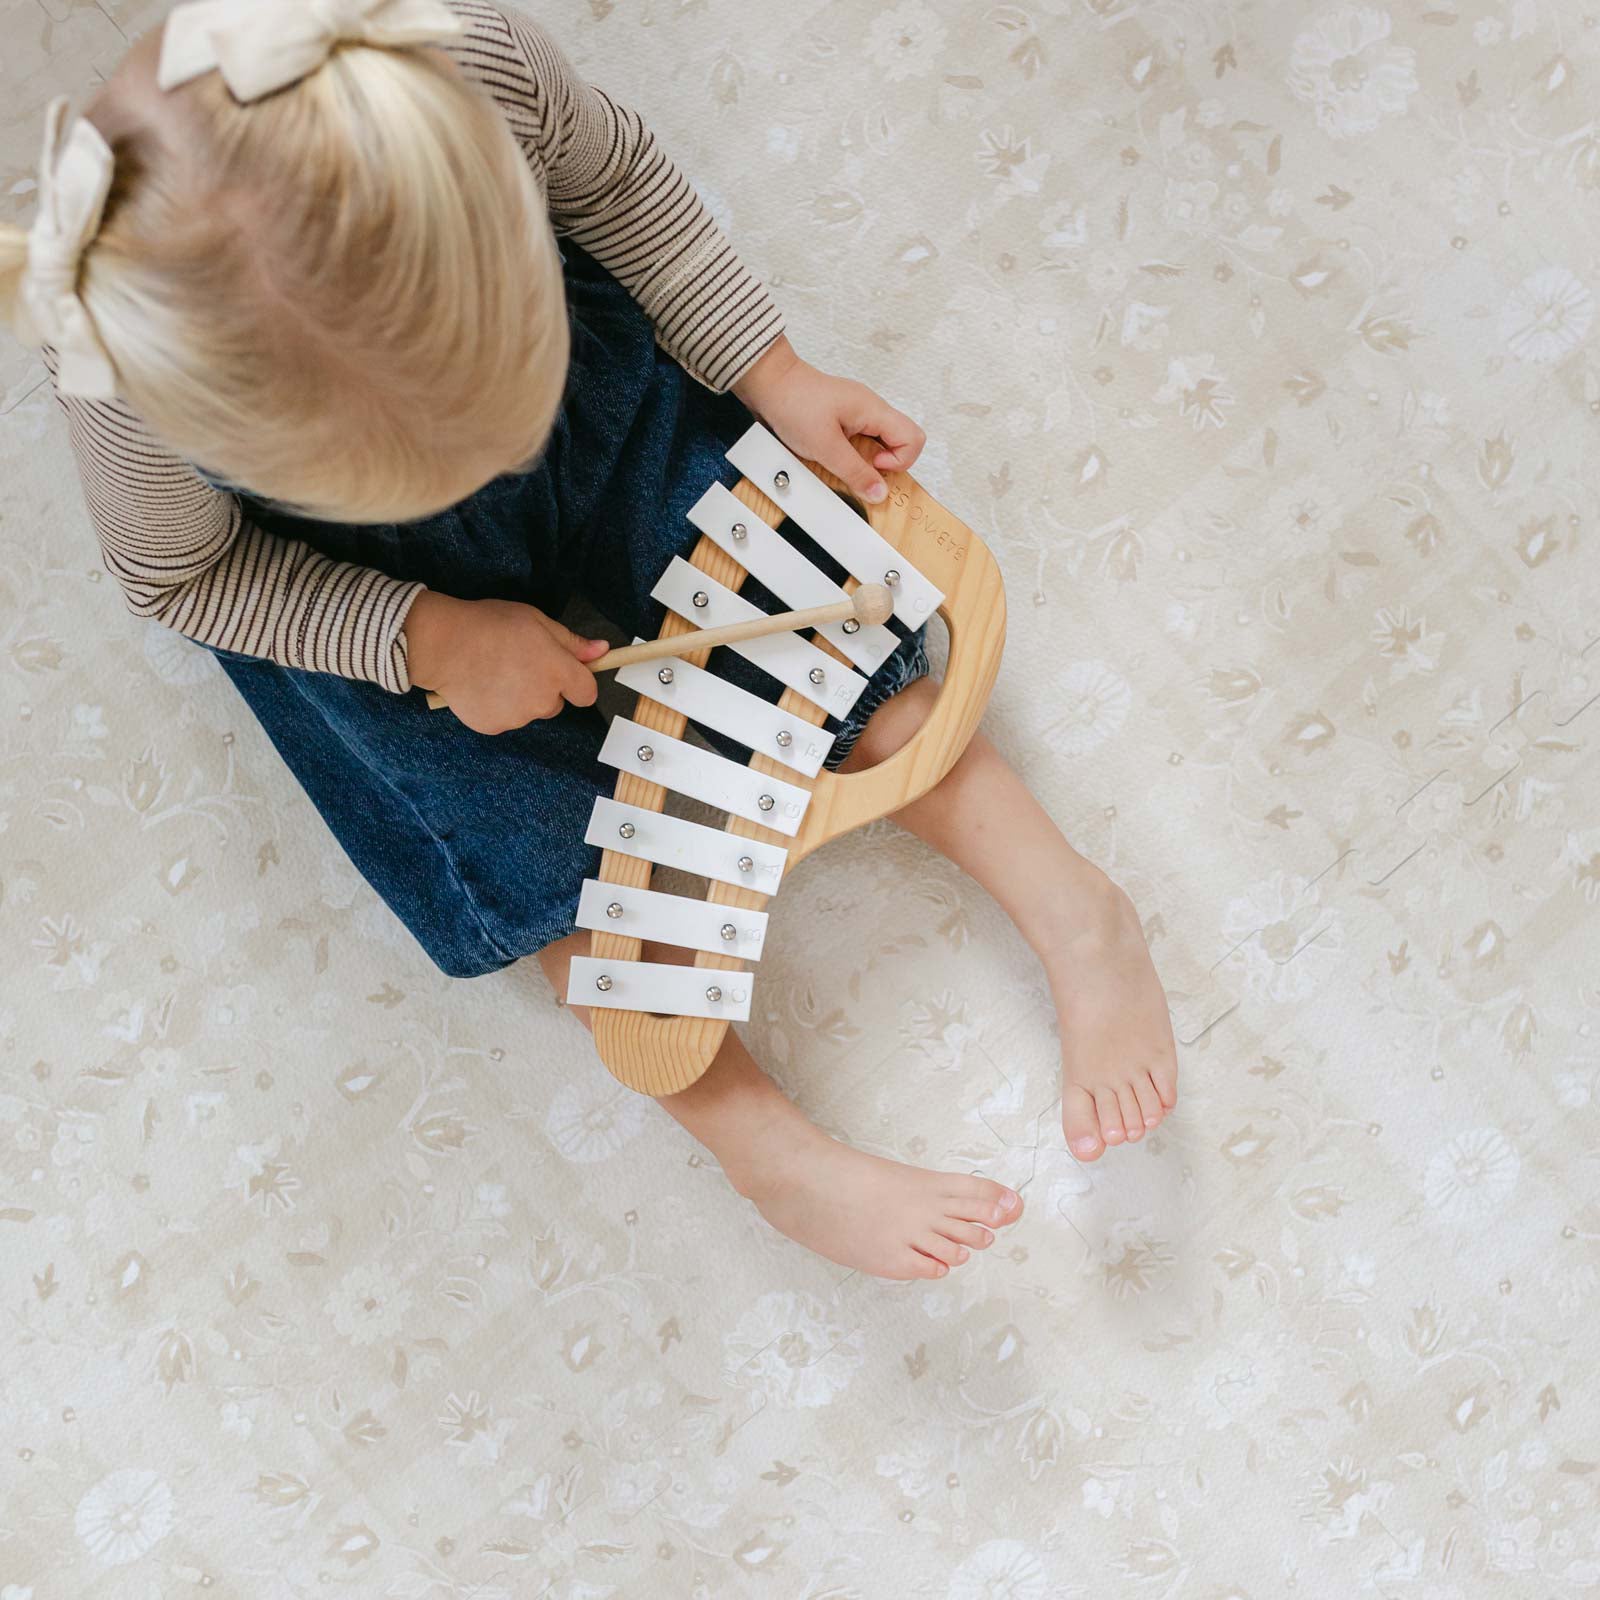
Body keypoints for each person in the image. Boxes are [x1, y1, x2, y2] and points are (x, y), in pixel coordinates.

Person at [0, 0, 1178, 1282]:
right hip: (354, 587)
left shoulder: (470, 64)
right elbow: (184, 576)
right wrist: (425, 633)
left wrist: (771, 372)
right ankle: (755, 1136)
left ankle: (1076, 909)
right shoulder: (120, 370)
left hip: (594, 416)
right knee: (496, 821)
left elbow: (616, 184)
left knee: (805, 608)